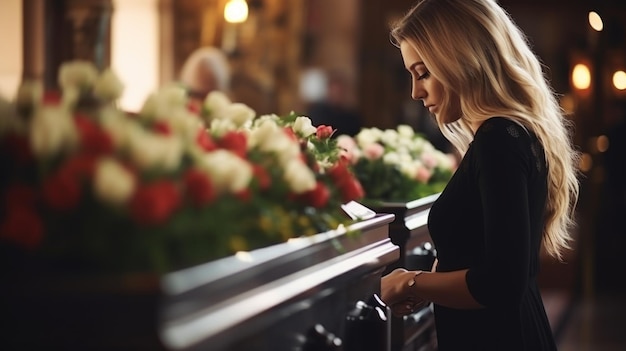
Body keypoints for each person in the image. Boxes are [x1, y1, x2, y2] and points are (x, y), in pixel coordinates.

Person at [380, 1, 580, 350]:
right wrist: (434, 282)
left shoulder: (497, 140)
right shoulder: (509, 135)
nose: (416, 92)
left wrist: (411, 282)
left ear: (461, 59)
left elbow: (502, 281)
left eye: (423, 72)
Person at [305, 70, 363, 137]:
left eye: (340, 91)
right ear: (329, 90)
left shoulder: (352, 117)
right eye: (335, 91)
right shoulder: (317, 113)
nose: (337, 94)